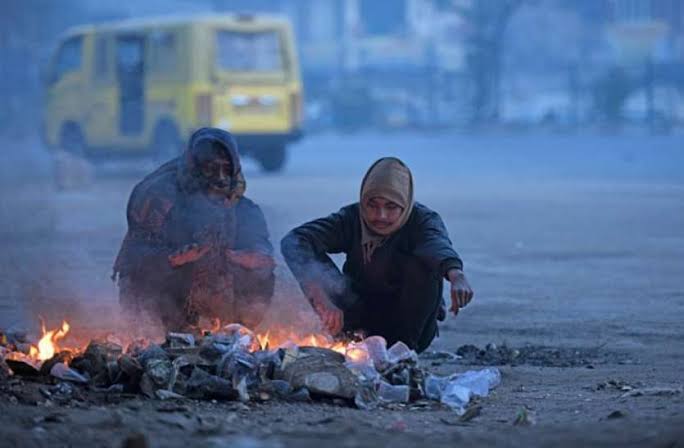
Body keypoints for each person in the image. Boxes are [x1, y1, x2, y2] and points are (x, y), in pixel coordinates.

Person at [281, 157, 473, 352]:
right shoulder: (351, 218)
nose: (380, 216)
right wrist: (320, 297)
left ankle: (402, 354)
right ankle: (350, 342)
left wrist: (455, 273)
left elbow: (436, 245)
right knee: (313, 264)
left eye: (391, 207)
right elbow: (295, 240)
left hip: (407, 325)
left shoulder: (421, 221)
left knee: (423, 265)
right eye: (372, 205)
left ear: (405, 205)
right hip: (357, 319)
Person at [113, 127, 275, 332]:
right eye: (210, 168)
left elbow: (259, 243)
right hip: (163, 296)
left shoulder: (243, 207)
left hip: (215, 296)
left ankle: (233, 332)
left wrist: (254, 256)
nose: (220, 178)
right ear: (194, 167)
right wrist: (173, 259)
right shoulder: (159, 198)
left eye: (226, 169)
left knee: (259, 271)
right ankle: (164, 333)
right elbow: (134, 258)